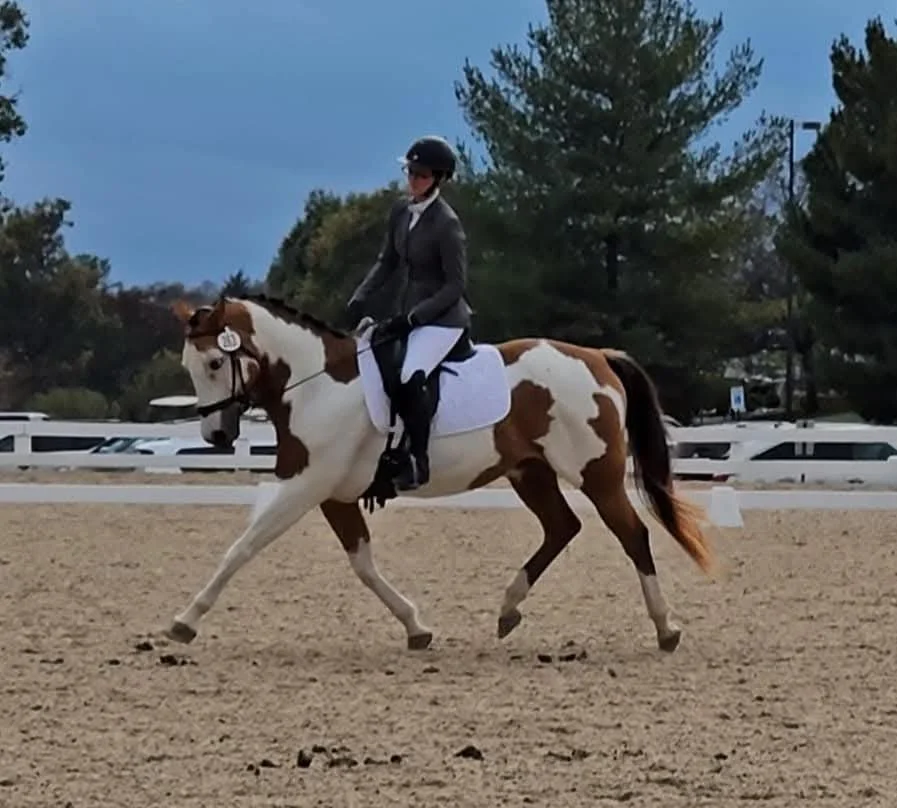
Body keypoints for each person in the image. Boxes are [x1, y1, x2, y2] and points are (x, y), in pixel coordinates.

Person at [347, 135, 472, 491]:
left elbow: (455, 286)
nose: (413, 179)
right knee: (373, 359)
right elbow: (387, 261)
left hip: (444, 318)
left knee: (409, 375)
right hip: (408, 310)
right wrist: (360, 296)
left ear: (438, 179)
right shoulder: (401, 210)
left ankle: (418, 459)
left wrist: (416, 317)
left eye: (421, 175)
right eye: (410, 172)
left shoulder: (447, 224)